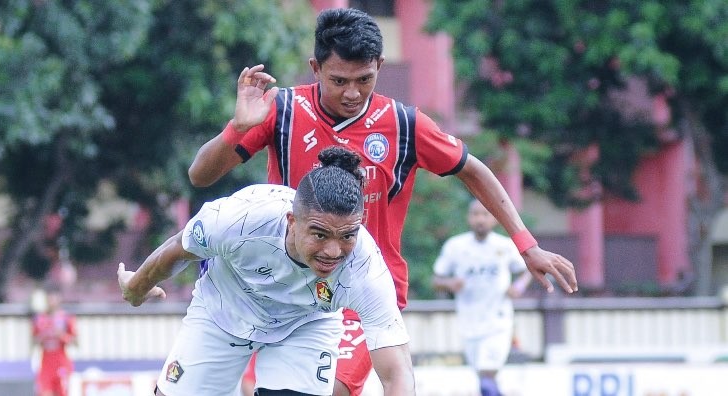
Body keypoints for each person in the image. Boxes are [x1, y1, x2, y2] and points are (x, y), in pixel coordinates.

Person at [187, 8, 578, 395]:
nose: (353, 93)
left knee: (330, 389)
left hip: (362, 290)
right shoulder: (282, 111)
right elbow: (200, 175)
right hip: (283, 289)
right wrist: (236, 129)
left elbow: (474, 171)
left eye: (365, 79)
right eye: (339, 80)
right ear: (315, 67)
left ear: (380, 66)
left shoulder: (405, 124)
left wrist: (526, 244)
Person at [117, 147, 415, 395]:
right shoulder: (241, 220)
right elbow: (176, 250)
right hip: (222, 313)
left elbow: (396, 372)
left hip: (305, 326)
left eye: (348, 236)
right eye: (320, 235)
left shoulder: (365, 269)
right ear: (292, 221)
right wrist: (136, 288)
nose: (334, 251)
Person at [432, 200, 533, 396]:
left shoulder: (504, 246)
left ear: (494, 219)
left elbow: (526, 271)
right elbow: (437, 279)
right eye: (475, 214)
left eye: (485, 214)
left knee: (488, 372)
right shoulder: (456, 246)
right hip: (469, 320)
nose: (480, 219)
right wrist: (450, 284)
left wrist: (518, 287)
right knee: (483, 376)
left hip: (498, 320)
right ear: (468, 218)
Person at [32, 283, 77, 396]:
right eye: (49, 298)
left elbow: (75, 342)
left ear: (59, 298)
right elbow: (33, 341)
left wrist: (61, 335)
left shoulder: (66, 318)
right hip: (45, 363)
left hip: (61, 362)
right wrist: (43, 336)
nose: (51, 301)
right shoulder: (39, 319)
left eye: (54, 297)